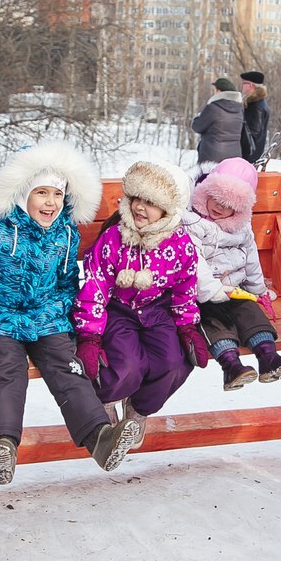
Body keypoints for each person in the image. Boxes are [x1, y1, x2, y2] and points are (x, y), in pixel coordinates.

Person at [0, 141, 141, 485]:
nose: (51, 202)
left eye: (57, 194)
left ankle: (99, 437)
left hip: (47, 317)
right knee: (6, 370)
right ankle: (3, 443)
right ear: (24, 193)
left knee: (68, 368)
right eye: (42, 193)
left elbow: (68, 280)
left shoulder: (65, 232)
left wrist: (69, 319)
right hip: (1, 315)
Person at [75, 160, 204, 448]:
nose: (140, 208)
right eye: (137, 199)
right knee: (125, 365)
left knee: (174, 362)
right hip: (118, 311)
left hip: (156, 310)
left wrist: (187, 327)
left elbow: (185, 287)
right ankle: (106, 401)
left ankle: (139, 409)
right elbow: (95, 286)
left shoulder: (180, 244)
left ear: (168, 210)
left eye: (151, 202)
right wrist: (90, 336)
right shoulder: (113, 238)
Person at [182, 157, 281, 390]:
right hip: (204, 294)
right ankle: (231, 366)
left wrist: (258, 291)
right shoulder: (192, 222)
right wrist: (212, 291)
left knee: (251, 311)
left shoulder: (241, 228)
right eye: (215, 198)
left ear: (239, 209)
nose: (219, 207)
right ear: (205, 191)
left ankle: (268, 358)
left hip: (236, 289)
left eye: (229, 205)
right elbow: (193, 261)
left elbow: (251, 260)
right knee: (213, 320)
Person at [191, 77, 244, 165]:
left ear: (219, 91)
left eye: (215, 89)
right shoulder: (239, 109)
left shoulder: (213, 108)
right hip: (234, 156)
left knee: (210, 178)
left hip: (212, 156)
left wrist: (197, 118)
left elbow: (197, 126)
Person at [239, 70, 270, 163]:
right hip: (251, 154)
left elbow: (253, 134)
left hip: (249, 156)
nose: (242, 85)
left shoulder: (256, 106)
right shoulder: (256, 103)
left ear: (251, 85)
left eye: (244, 83)